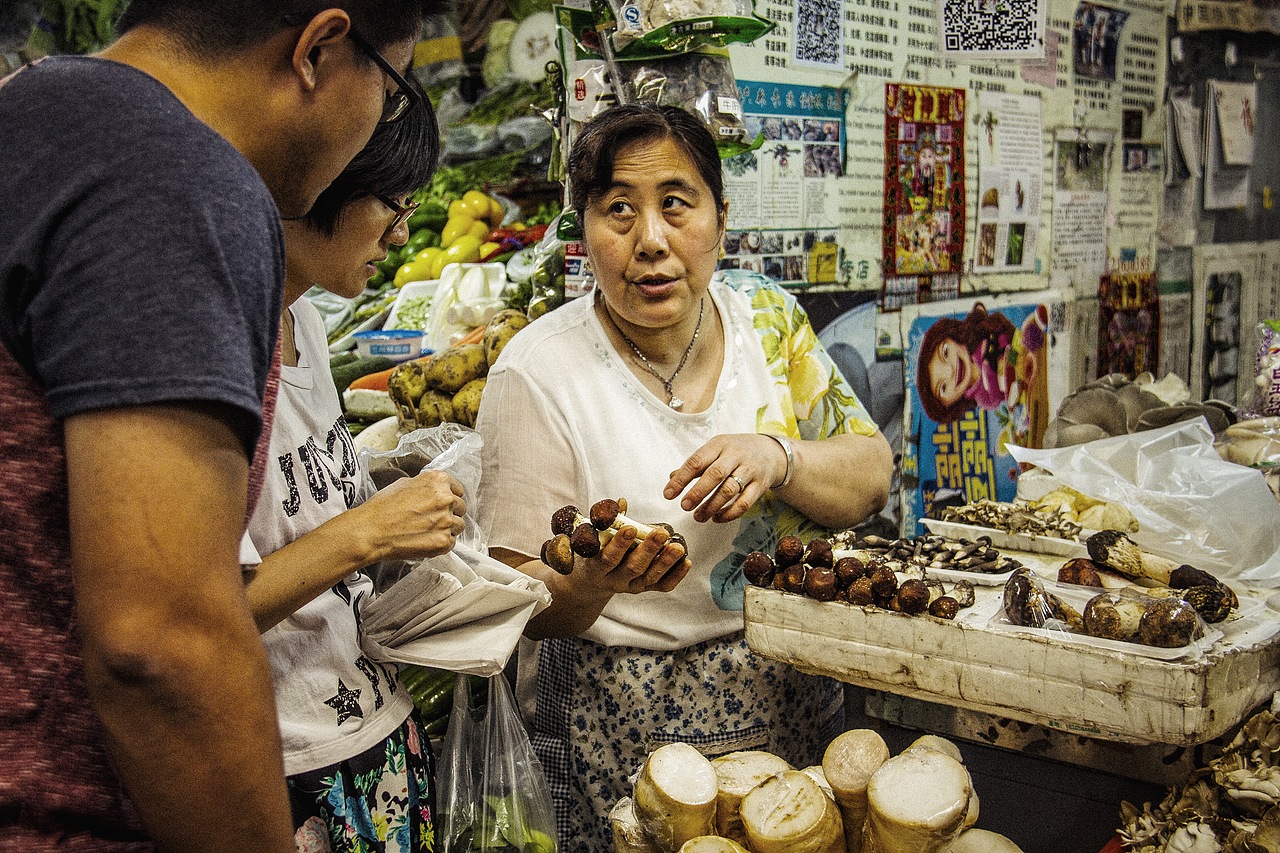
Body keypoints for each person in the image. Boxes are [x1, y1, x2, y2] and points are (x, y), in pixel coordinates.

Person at [0, 2, 431, 850]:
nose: (383, 119)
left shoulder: (29, 113)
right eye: (393, 90)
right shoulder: (178, 183)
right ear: (320, 49)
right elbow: (161, 642)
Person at [475, 103, 893, 850]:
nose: (652, 241)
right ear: (582, 232)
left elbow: (871, 475)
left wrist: (779, 455)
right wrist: (598, 578)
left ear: (720, 218)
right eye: (618, 211)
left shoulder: (767, 317)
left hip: (787, 692)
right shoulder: (538, 372)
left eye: (676, 204)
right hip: (620, 722)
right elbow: (518, 603)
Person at [244, 77, 465, 853]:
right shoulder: (223, 346)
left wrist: (383, 495)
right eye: (391, 204)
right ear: (321, 176)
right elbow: (205, 612)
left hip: (376, 727)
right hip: (291, 766)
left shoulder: (301, 316)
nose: (401, 233)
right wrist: (368, 530)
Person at [915, 302, 1047, 424]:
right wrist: (988, 369)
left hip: (1031, 351)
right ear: (948, 405)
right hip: (1028, 387)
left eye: (945, 353)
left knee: (1028, 330)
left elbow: (1006, 336)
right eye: (943, 387)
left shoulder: (980, 338)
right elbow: (995, 398)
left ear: (951, 336)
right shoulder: (981, 397)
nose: (951, 371)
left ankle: (1040, 321)